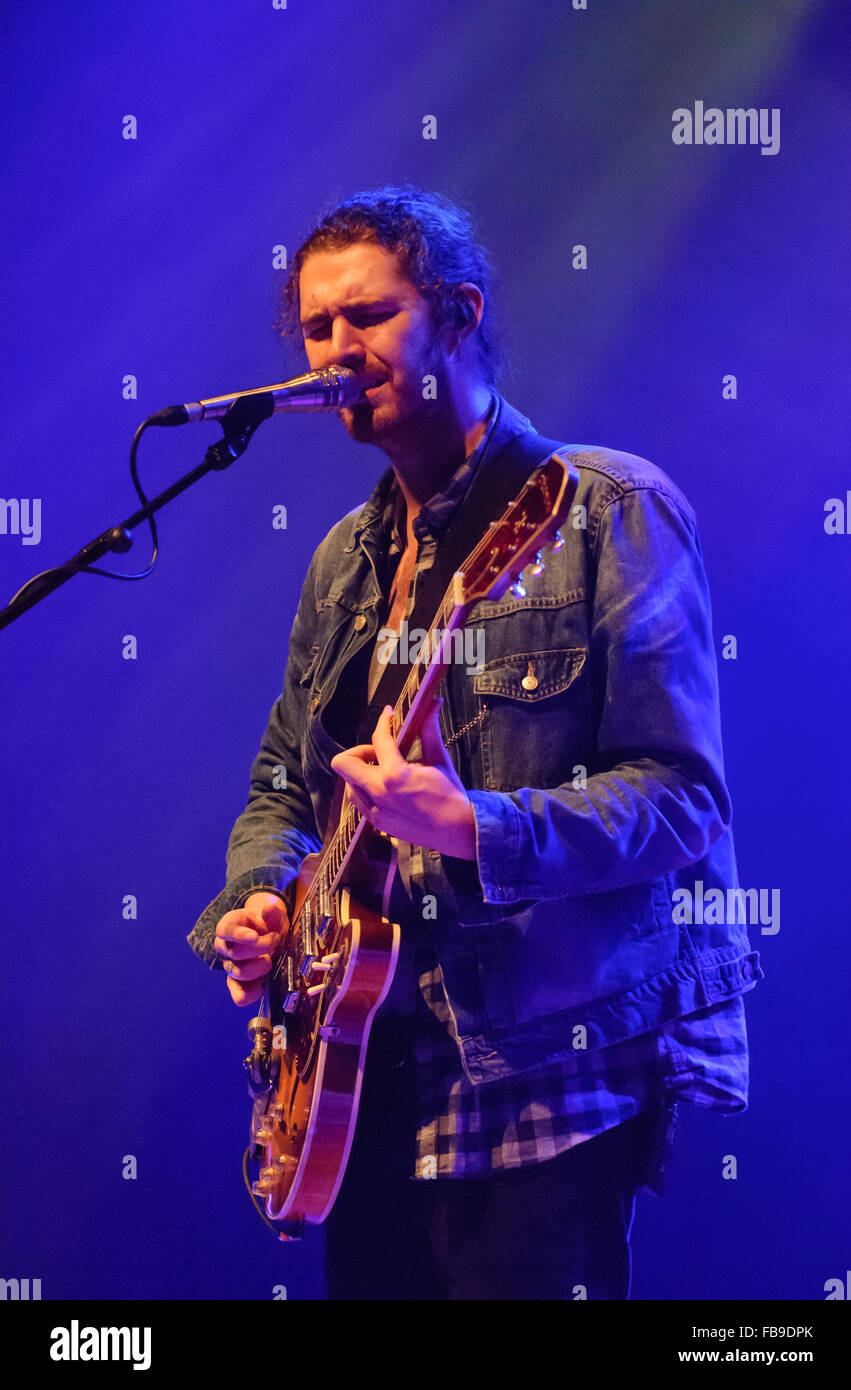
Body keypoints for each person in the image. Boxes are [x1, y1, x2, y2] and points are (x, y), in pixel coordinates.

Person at [187, 184, 763, 1301]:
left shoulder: (604, 510)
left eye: (369, 316)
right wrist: (263, 895)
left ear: (456, 313)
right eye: (316, 328)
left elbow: (683, 795)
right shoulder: (342, 562)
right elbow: (281, 785)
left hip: (545, 1070)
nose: (337, 349)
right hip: (363, 1078)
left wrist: (475, 827)